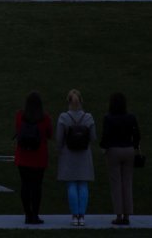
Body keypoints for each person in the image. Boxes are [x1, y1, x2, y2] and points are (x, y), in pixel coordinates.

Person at [55, 89, 96, 226]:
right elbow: (93, 137)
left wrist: (60, 151)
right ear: (81, 101)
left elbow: (59, 139)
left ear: (68, 102)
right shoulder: (88, 117)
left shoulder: (63, 117)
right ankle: (82, 216)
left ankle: (74, 216)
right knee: (83, 185)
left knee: (71, 185)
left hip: (68, 155)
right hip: (84, 155)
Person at [100, 92, 141, 226]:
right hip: (129, 150)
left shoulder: (108, 118)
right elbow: (137, 134)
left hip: (113, 151)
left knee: (116, 184)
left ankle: (118, 216)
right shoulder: (131, 117)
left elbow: (105, 136)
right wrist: (134, 146)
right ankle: (127, 216)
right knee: (127, 183)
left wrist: (103, 148)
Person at [14, 91, 53, 224]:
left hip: (23, 156)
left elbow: (18, 130)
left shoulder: (20, 116)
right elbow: (49, 134)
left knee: (25, 185)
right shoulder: (45, 118)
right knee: (37, 187)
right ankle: (35, 215)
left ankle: (27, 214)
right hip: (39, 157)